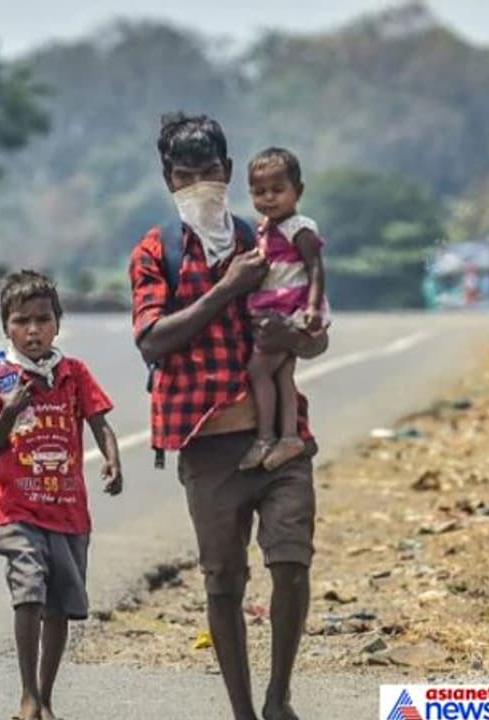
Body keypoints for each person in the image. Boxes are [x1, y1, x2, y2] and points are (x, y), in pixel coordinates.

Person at [128, 113, 329, 720]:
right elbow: (151, 339)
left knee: (291, 562)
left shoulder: (266, 239)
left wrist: (296, 334)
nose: (200, 186)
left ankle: (278, 698)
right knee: (224, 582)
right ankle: (243, 710)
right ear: (169, 180)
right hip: (205, 445)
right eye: (186, 176)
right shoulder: (155, 251)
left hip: (279, 440)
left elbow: (315, 338)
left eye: (210, 173)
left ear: (229, 172)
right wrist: (226, 291)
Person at [0, 270, 123, 720]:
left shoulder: (73, 374)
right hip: (18, 509)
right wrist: (11, 411)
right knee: (29, 594)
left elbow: (99, 422)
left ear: (58, 323)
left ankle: (46, 693)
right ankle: (26, 694)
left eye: (42, 319)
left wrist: (111, 459)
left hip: (69, 511)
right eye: (21, 321)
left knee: (59, 606)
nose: (32, 330)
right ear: (6, 327)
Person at [239, 147, 329, 472]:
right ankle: (289, 436)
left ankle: (266, 437)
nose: (269, 198)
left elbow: (316, 268)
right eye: (259, 192)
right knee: (282, 373)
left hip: (290, 311)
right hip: (271, 308)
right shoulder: (264, 228)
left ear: (298, 191)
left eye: (278, 190)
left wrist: (312, 309)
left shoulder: (300, 228)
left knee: (258, 370)